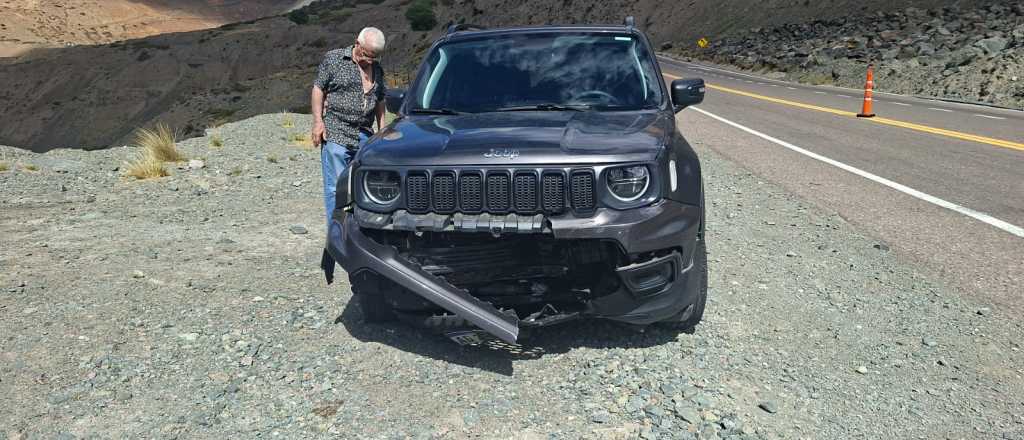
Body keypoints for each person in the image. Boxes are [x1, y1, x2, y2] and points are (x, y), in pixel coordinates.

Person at [312, 27, 386, 283]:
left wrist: (382, 129)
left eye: (375, 57)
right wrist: (318, 122)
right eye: (367, 55)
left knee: (364, 189)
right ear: (357, 44)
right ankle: (335, 243)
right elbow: (318, 89)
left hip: (364, 135)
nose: (370, 61)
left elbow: (380, 99)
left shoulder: (377, 68)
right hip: (336, 133)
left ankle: (362, 238)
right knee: (335, 190)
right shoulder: (334, 59)